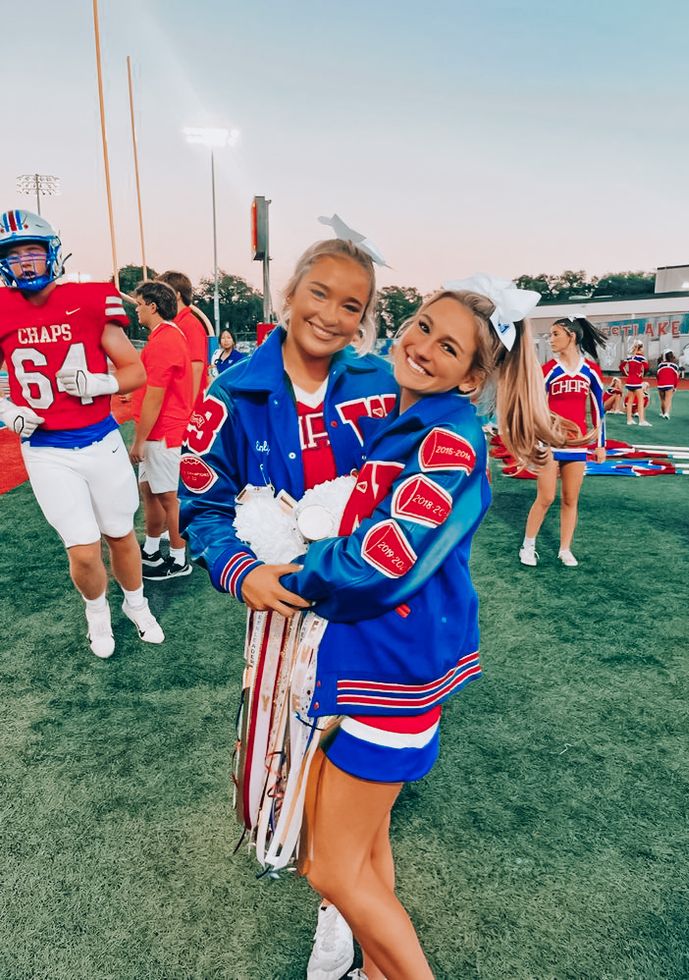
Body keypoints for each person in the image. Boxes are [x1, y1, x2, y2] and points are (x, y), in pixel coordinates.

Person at [273, 279, 568, 979]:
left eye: (447, 345)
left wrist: (291, 570)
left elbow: (387, 553)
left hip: (393, 667)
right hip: (380, 656)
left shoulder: (446, 437)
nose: (421, 347)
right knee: (366, 849)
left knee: (329, 869)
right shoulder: (414, 418)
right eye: (420, 325)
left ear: (472, 375)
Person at [178, 232, 400, 980]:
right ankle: (338, 897)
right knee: (294, 765)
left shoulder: (382, 382)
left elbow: (420, 478)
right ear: (289, 293)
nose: (333, 315)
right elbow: (200, 502)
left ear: (366, 318)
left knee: (358, 764)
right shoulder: (231, 390)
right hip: (282, 613)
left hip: (370, 610)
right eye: (320, 294)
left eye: (352, 305)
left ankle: (340, 914)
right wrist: (240, 571)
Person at [0, 208, 164, 658]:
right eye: (14, 256)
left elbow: (135, 371)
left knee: (120, 534)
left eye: (32, 251)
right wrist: (7, 408)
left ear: (52, 251)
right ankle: (97, 615)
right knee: (84, 550)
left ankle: (136, 604)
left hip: (100, 438)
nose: (26, 263)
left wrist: (102, 383)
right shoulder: (1, 308)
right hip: (46, 448)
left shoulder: (91, 298)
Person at [520, 316, 606, 568]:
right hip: (549, 444)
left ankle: (565, 548)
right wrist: (536, 440)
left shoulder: (590, 370)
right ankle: (528, 545)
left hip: (577, 445)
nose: (551, 339)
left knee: (570, 499)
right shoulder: (548, 370)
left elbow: (598, 409)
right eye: (550, 334)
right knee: (545, 497)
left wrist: (600, 444)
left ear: (572, 335)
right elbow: (536, 408)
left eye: (555, 334)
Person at [130, 280, 194, 580]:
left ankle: (179, 559)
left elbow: (157, 396)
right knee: (151, 494)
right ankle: (153, 551)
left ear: (153, 306)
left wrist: (139, 441)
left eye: (139, 304)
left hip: (164, 432)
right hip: (162, 429)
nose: (137, 310)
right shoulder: (166, 337)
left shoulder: (165, 339)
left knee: (169, 497)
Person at [155, 271, 208, 403]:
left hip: (186, 406)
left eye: (163, 293)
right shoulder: (174, 323)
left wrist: (188, 406)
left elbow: (196, 367)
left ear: (177, 295)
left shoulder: (189, 324)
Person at [620, 340, 651, 426]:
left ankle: (629, 420)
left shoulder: (629, 357)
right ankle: (641, 421)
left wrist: (627, 374)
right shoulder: (641, 357)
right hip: (637, 381)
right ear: (640, 348)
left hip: (629, 381)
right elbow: (647, 367)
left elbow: (621, 367)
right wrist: (641, 375)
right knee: (641, 400)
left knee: (630, 401)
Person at [656, 350, 680, 419]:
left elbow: (658, 375)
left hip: (660, 384)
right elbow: (676, 377)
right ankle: (667, 413)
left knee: (662, 400)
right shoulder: (675, 366)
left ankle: (663, 413)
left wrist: (659, 382)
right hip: (669, 384)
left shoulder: (660, 365)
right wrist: (675, 387)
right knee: (668, 399)